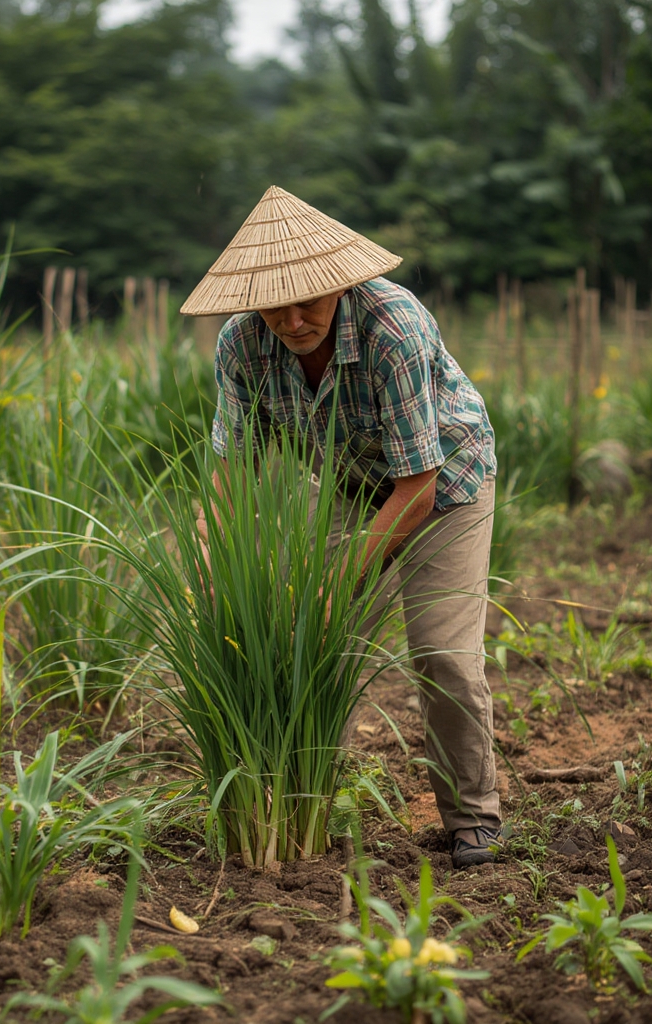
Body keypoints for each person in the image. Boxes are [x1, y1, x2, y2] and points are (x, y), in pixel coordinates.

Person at [180, 185, 502, 868]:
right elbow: (231, 470)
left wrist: (341, 578)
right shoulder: (242, 344)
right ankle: (306, 804)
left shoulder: (394, 326)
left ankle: (474, 815)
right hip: (352, 486)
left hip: (446, 482)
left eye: (311, 302)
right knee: (307, 638)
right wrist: (209, 553)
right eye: (275, 305)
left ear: (341, 283)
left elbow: (416, 486)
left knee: (441, 653)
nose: (293, 320)